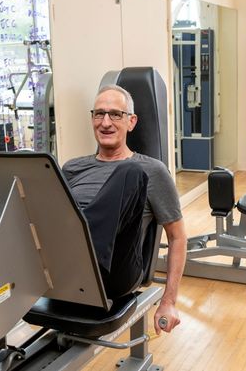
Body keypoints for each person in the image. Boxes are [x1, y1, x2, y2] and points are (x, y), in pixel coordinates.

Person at [62, 84, 187, 334]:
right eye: (99, 114)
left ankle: (87, 258)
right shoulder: (72, 168)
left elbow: (177, 237)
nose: (105, 122)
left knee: (129, 173)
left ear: (131, 122)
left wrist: (168, 302)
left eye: (115, 115)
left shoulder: (151, 170)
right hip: (65, 264)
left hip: (114, 272)